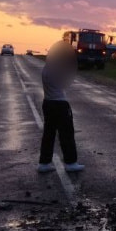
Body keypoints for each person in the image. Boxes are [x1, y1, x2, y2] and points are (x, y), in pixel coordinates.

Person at [38, 41, 84, 172]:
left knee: (49, 133)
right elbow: (66, 82)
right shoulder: (57, 69)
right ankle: (70, 162)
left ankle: (44, 162)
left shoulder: (45, 69)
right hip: (60, 103)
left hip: (47, 102)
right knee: (66, 134)